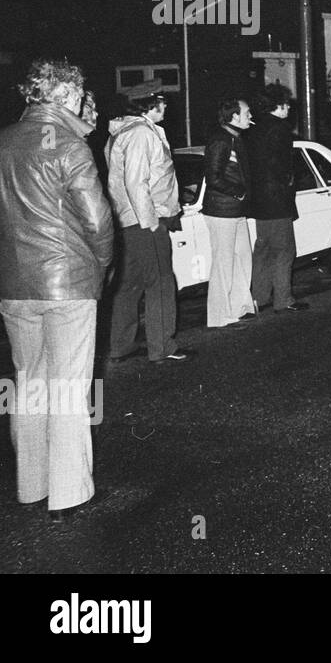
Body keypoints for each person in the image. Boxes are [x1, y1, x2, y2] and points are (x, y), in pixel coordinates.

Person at [0, 59, 114, 522]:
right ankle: (69, 492)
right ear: (65, 97)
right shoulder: (68, 145)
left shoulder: (4, 141)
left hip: (14, 284)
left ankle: (31, 484)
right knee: (68, 386)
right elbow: (98, 221)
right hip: (67, 283)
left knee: (27, 383)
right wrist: (102, 268)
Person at [105, 80, 188, 363]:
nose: (166, 105)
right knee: (161, 282)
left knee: (130, 285)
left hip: (127, 221)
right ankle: (162, 346)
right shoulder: (141, 133)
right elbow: (136, 182)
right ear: (149, 104)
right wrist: (151, 222)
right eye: (162, 100)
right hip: (145, 221)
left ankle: (120, 345)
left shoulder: (124, 132)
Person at [246, 84, 307, 313]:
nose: (289, 108)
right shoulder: (280, 129)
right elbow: (282, 165)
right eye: (286, 104)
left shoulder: (254, 129)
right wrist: (289, 181)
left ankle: (259, 297)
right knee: (284, 250)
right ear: (278, 106)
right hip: (277, 199)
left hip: (259, 201)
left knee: (263, 249)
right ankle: (284, 299)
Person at [202, 98, 257, 327]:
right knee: (223, 263)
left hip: (235, 210)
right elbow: (213, 178)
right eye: (247, 114)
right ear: (234, 117)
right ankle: (218, 315)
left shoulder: (235, 139)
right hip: (222, 210)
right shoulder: (221, 141)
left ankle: (239, 307)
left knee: (243, 258)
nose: (250, 118)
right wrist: (239, 193)